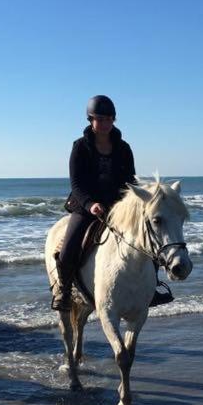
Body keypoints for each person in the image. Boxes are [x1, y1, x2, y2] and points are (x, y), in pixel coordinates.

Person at [52, 95, 137, 311]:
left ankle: (149, 288)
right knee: (69, 247)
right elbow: (76, 184)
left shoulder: (124, 148)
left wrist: (130, 204)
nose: (105, 124)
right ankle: (64, 290)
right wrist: (90, 204)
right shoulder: (80, 147)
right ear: (91, 119)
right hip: (86, 207)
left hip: (117, 207)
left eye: (109, 119)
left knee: (145, 240)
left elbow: (131, 181)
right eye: (100, 119)